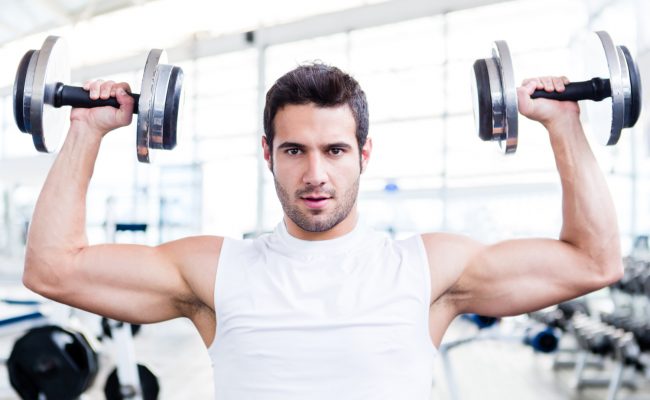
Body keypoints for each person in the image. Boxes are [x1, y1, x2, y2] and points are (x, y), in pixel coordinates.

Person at [23, 63, 623, 399]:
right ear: (267, 153)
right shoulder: (215, 270)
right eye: (294, 150)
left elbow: (594, 262)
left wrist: (564, 125)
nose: (315, 175)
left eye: (335, 149)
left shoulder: (428, 268)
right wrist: (85, 131)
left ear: (365, 153)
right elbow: (53, 269)